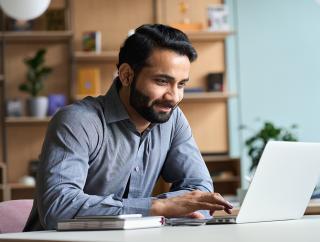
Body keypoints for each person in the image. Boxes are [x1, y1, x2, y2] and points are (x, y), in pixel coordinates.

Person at [24, 24, 232, 231]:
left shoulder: (173, 119)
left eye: (181, 84)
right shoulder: (77, 121)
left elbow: (200, 190)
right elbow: (58, 208)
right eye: (162, 81)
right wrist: (158, 207)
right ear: (126, 75)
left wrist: (168, 207)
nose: (174, 97)